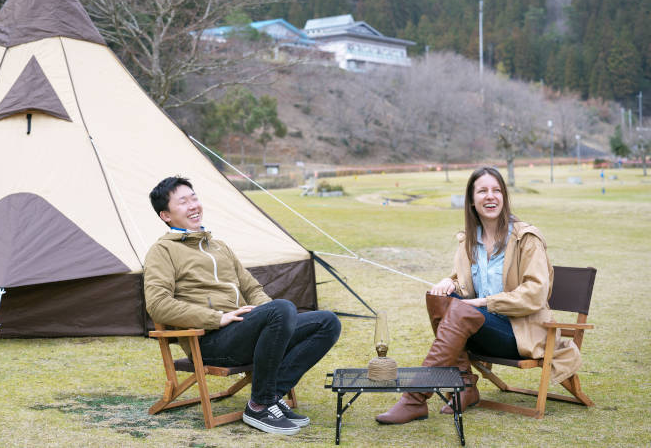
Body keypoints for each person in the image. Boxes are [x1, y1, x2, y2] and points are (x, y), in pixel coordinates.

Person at [375, 166, 582, 425]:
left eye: (496, 190)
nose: (490, 196)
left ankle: (414, 399)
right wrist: (447, 283)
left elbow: (536, 294)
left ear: (504, 197)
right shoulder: (469, 241)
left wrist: (485, 302)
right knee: (438, 298)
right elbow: (462, 284)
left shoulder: (526, 238)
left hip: (522, 333)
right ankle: (465, 386)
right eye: (482, 191)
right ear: (472, 201)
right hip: (483, 327)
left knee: (462, 310)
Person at [144, 176, 341, 435]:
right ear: (166, 215)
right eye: (183, 202)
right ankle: (259, 406)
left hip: (244, 332)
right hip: (210, 341)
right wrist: (216, 318)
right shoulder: (162, 251)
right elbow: (157, 305)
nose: (193, 206)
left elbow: (252, 289)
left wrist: (281, 323)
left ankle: (270, 395)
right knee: (281, 309)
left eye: (194, 198)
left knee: (327, 322)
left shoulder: (219, 246)